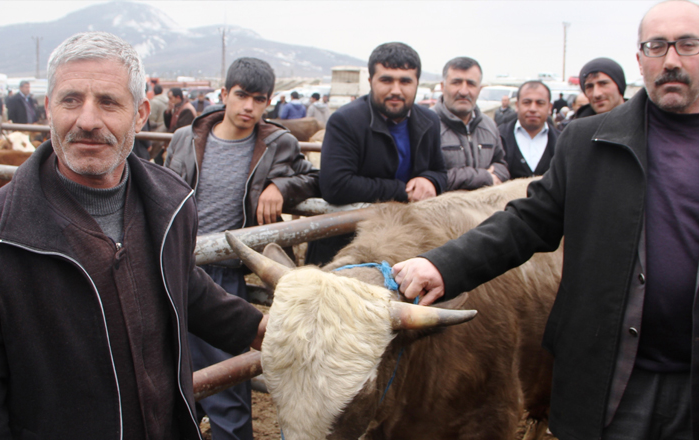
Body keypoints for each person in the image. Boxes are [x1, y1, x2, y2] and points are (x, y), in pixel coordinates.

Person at [392, 1, 699, 439]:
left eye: (687, 45)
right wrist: (443, 264)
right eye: (657, 46)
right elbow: (526, 223)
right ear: (640, 59)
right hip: (609, 386)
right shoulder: (589, 142)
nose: (671, 60)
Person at [0, 31, 267, 440]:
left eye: (108, 102)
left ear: (139, 114)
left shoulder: (170, 205)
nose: (87, 120)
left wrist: (265, 330)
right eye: (71, 100)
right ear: (49, 109)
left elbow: (181, 283)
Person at [165, 57, 318, 440]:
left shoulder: (277, 143)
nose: (249, 107)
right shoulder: (187, 137)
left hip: (224, 273)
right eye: (241, 96)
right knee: (171, 372)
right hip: (176, 265)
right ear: (224, 94)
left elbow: (313, 178)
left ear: (269, 103)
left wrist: (281, 187)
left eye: (259, 99)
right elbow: (164, 186)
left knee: (227, 386)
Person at [305, 41, 447, 266]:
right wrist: (404, 191)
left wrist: (430, 181)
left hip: (407, 244)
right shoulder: (346, 121)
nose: (396, 90)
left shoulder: (429, 121)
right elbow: (336, 185)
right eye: (386, 80)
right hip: (346, 247)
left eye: (405, 81)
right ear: (371, 81)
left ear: (417, 83)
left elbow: (440, 170)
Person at [433, 56, 509, 191]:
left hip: (483, 211)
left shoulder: (489, 125)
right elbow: (426, 179)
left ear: (480, 89)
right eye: (456, 82)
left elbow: (502, 165)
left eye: (471, 84)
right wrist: (482, 177)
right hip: (442, 211)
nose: (463, 91)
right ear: (443, 86)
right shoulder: (427, 125)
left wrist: (498, 172)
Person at [498, 81, 559, 179]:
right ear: (517, 105)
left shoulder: (562, 141)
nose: (533, 109)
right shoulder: (499, 137)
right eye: (527, 102)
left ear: (549, 107)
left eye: (540, 103)